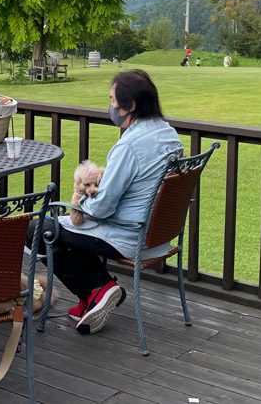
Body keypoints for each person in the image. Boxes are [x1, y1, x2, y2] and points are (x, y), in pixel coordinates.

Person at [30, 69, 182, 336]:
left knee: (36, 230)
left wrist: (78, 205)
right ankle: (91, 296)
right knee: (61, 234)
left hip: (126, 235)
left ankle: (100, 288)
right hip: (157, 236)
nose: (110, 107)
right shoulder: (170, 135)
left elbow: (102, 208)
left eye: (112, 100)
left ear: (130, 105)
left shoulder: (129, 146)